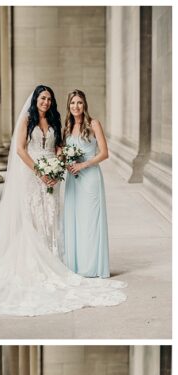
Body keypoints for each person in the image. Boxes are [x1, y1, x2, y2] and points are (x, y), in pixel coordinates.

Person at [0, 86, 126, 316]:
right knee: (33, 217)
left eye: (49, 99)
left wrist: (57, 168)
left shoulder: (56, 121)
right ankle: (34, 264)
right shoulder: (27, 119)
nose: (45, 102)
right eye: (43, 98)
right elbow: (21, 150)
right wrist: (40, 172)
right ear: (35, 100)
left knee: (51, 216)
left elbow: (58, 148)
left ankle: (54, 259)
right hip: (33, 175)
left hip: (54, 175)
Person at [62, 90, 113, 278]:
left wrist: (83, 164)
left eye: (80, 103)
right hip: (73, 180)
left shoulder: (93, 124)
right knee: (74, 220)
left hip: (90, 178)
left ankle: (92, 266)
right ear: (69, 106)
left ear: (85, 105)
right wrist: (66, 163)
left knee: (90, 222)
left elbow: (104, 153)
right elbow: (62, 151)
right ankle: (76, 265)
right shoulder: (67, 127)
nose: (76, 106)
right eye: (73, 103)